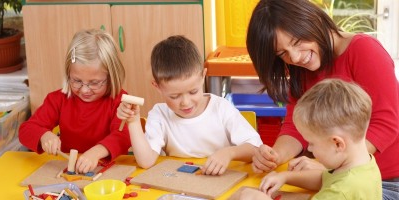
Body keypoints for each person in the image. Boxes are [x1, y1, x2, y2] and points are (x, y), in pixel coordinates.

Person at [246, 0, 399, 199]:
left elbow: (386, 123)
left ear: (312, 20)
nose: (295, 57)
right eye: (282, 53)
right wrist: (276, 156)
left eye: (296, 42)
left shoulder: (363, 50)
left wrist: (332, 163)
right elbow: (295, 124)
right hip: (336, 175)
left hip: (383, 183)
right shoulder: (302, 67)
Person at [117, 35, 263, 175]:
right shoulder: (159, 114)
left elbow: (256, 148)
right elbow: (146, 161)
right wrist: (133, 121)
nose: (185, 103)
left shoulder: (221, 108)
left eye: (193, 92)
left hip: (222, 182)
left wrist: (229, 153)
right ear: (157, 86)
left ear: (203, 76)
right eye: (174, 96)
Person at [234, 79, 382, 199]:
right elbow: (325, 179)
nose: (309, 149)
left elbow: (333, 186)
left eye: (311, 143)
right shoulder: (363, 165)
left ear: (337, 143)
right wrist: (285, 177)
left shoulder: (339, 193)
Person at [19, 29, 131, 173]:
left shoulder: (119, 101)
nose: (84, 90)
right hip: (68, 170)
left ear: (111, 77)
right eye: (77, 80)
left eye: (95, 83)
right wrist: (43, 135)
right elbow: (26, 130)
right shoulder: (57, 99)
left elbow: (123, 136)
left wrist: (96, 153)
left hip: (108, 171)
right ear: (68, 74)